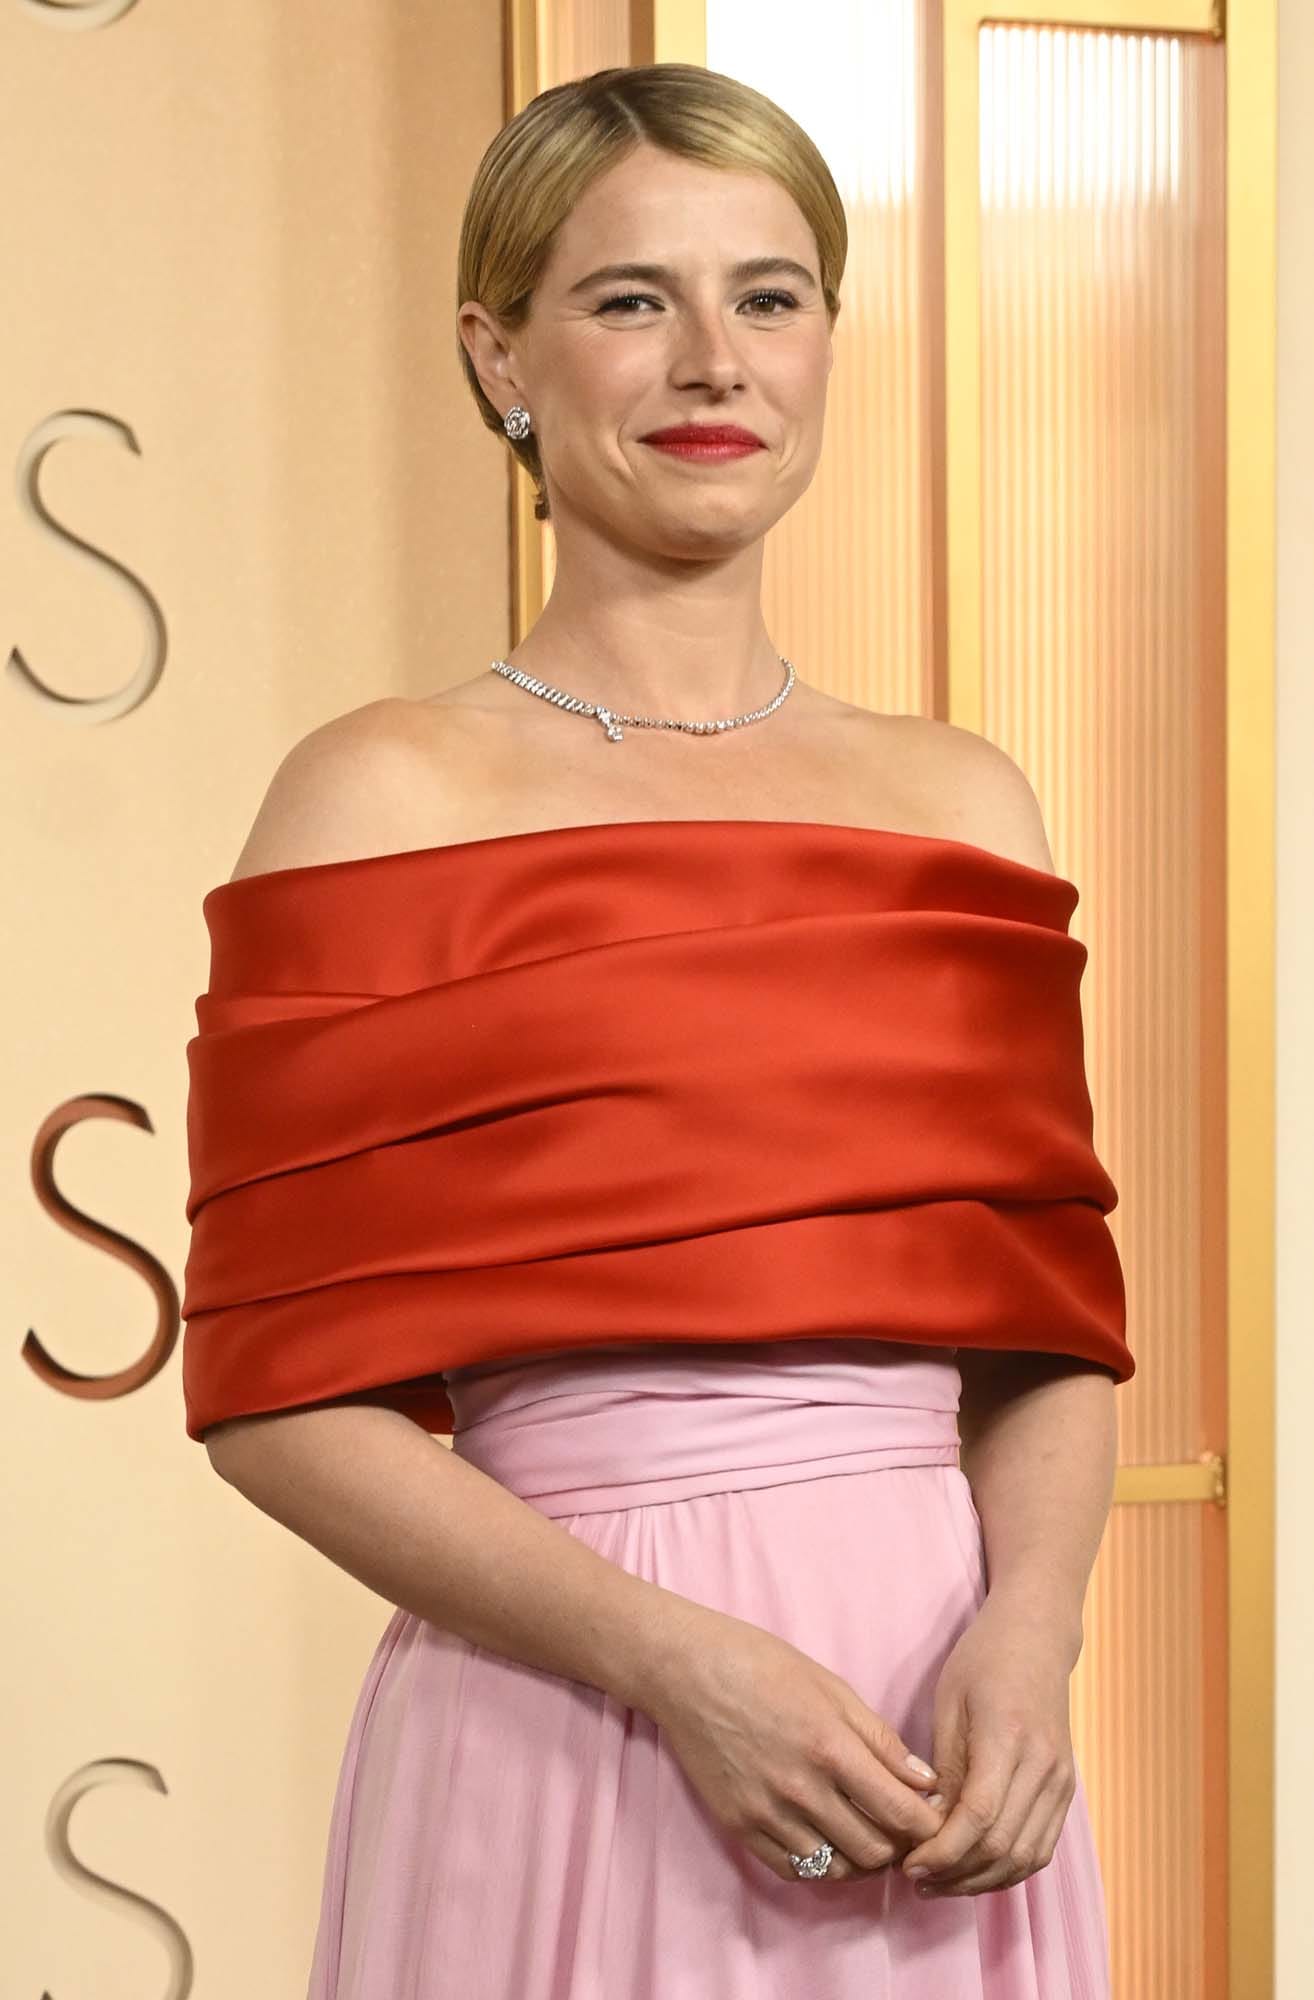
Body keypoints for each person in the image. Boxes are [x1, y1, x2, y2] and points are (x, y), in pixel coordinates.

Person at [184, 61, 1132, 1998]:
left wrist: (1032, 1637)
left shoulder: (965, 801)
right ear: (500, 356)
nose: (715, 360)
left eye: (768, 297)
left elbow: (1047, 1337)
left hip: (943, 1738)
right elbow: (275, 1398)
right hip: (572, 1710)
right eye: (632, 299)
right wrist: (672, 1664)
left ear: (825, 342)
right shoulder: (381, 793)